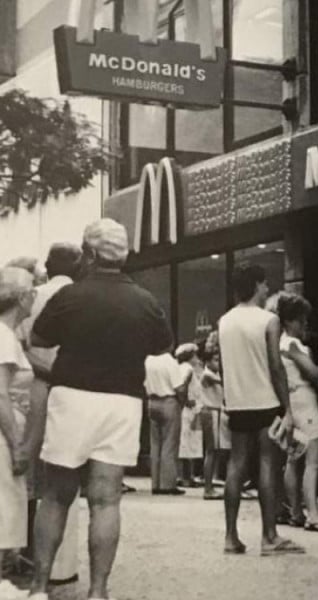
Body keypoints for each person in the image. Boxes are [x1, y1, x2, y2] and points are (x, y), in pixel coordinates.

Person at [28, 218, 174, 600]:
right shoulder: (146, 301)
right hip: (123, 402)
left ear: (89, 254)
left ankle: (40, 587)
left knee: (57, 495)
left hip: (72, 396)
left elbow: (38, 336)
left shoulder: (70, 296)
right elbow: (162, 347)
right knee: (106, 499)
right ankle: (98, 591)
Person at [218, 265, 303, 556]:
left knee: (236, 465)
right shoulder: (269, 320)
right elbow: (276, 366)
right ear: (256, 285)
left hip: (238, 402)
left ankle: (230, 536)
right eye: (265, 284)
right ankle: (269, 536)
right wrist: (288, 409)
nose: (267, 289)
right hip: (265, 400)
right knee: (269, 464)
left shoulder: (224, 321)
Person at [17, 244, 83, 582]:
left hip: (35, 386)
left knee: (30, 469)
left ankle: (26, 549)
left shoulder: (32, 296)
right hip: (73, 390)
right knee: (62, 474)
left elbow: (20, 346)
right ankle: (58, 561)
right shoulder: (83, 296)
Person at [278, 293, 318, 532]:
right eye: (301, 321)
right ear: (290, 322)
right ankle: (313, 513)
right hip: (305, 401)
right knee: (313, 460)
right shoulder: (293, 344)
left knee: (294, 459)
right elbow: (312, 373)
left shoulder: (278, 343)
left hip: (291, 403)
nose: (304, 326)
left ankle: (296, 511)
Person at [0, 267, 36, 600]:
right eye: (33, 290)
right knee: (5, 510)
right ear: (21, 297)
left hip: (9, 430)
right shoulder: (4, 337)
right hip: (4, 437)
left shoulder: (9, 335)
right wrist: (16, 446)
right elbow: (0, 394)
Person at [144, 350, 189, 495]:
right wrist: (181, 403)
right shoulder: (169, 361)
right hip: (168, 401)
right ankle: (167, 485)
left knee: (155, 444)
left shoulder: (148, 360)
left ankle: (155, 484)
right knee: (170, 444)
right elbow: (180, 388)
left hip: (152, 401)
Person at [176, 343, 203, 487]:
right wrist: (185, 400)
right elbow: (183, 385)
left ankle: (186, 475)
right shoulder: (188, 369)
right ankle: (186, 476)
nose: (197, 358)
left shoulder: (181, 368)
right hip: (189, 410)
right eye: (195, 355)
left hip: (189, 410)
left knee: (187, 442)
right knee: (187, 442)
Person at [199, 349, 226, 500]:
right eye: (215, 360)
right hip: (210, 412)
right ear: (207, 361)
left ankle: (210, 484)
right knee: (211, 450)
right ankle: (208, 488)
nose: (218, 363)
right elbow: (222, 382)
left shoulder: (213, 374)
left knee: (214, 451)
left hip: (215, 412)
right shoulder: (207, 374)